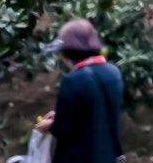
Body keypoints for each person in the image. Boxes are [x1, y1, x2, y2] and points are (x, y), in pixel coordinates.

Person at [33, 19, 124, 163]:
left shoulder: (72, 80)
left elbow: (63, 128)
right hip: (108, 156)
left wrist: (49, 126)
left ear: (67, 51)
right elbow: (96, 113)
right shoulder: (114, 73)